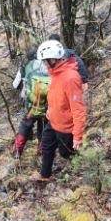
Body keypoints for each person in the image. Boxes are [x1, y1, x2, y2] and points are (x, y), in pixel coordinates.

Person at [32, 39, 87, 182]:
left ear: (53, 59)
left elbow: (78, 109)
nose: (44, 64)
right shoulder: (55, 73)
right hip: (53, 122)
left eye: (45, 61)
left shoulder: (70, 78)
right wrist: (50, 110)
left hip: (66, 128)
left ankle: (87, 168)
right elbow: (54, 95)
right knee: (46, 145)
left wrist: (77, 136)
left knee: (67, 153)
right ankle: (45, 175)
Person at [11, 47, 49, 156]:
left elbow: (15, 85)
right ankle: (42, 149)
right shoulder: (46, 64)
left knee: (26, 124)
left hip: (31, 104)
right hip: (47, 101)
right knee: (44, 123)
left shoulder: (24, 67)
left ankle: (17, 151)